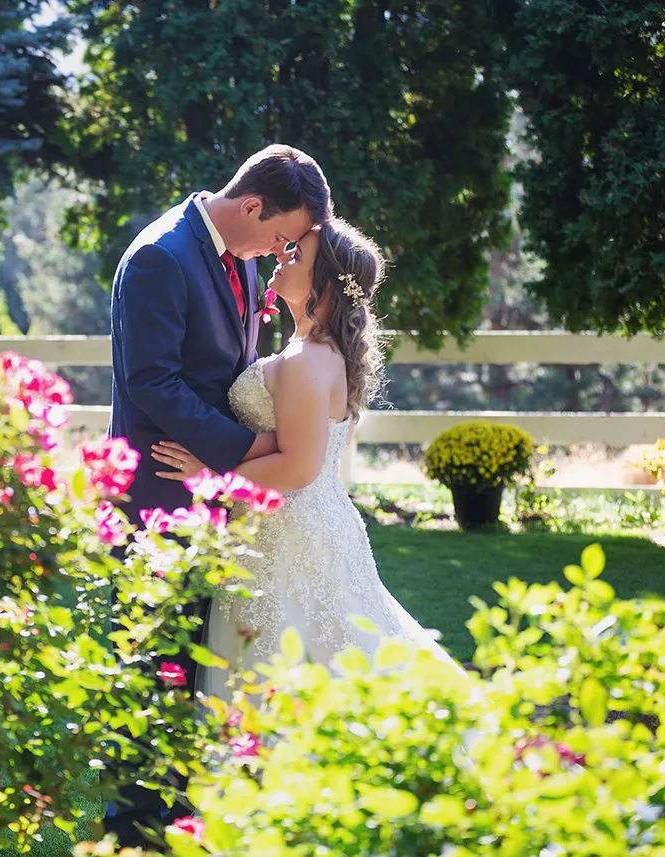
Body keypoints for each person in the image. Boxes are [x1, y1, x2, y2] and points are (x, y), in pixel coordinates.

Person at [104, 144, 332, 846]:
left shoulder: (245, 256)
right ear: (253, 206)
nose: (282, 250)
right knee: (152, 664)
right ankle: (134, 826)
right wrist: (250, 450)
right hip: (160, 490)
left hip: (211, 494)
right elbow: (154, 381)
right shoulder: (160, 258)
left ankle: (180, 813)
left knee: (199, 658)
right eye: (282, 235)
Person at [151, 217, 463, 696]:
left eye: (297, 254)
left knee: (291, 670)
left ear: (325, 284)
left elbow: (298, 467)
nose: (282, 254)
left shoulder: (303, 362)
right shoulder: (326, 352)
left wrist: (209, 476)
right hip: (317, 522)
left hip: (288, 531)